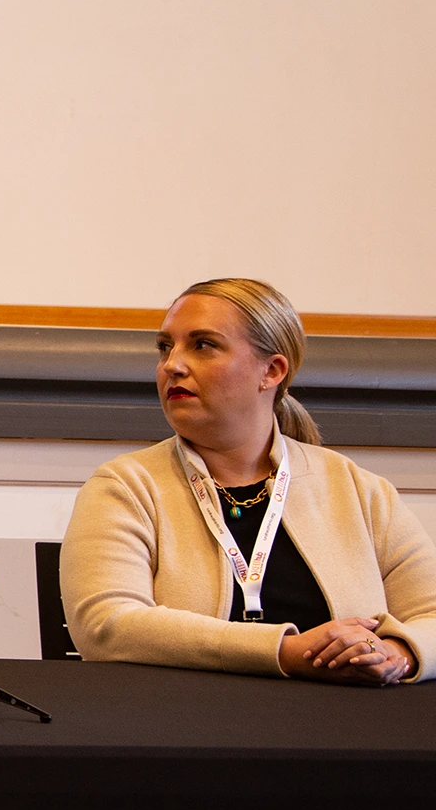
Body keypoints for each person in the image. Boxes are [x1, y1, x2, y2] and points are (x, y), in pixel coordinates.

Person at [61, 276, 436, 682]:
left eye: (203, 345)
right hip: (184, 733)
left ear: (271, 371)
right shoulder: (125, 486)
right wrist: (288, 652)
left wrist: (396, 654)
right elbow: (106, 625)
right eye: (165, 347)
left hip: (346, 736)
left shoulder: (357, 489)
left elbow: (430, 615)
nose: (173, 365)